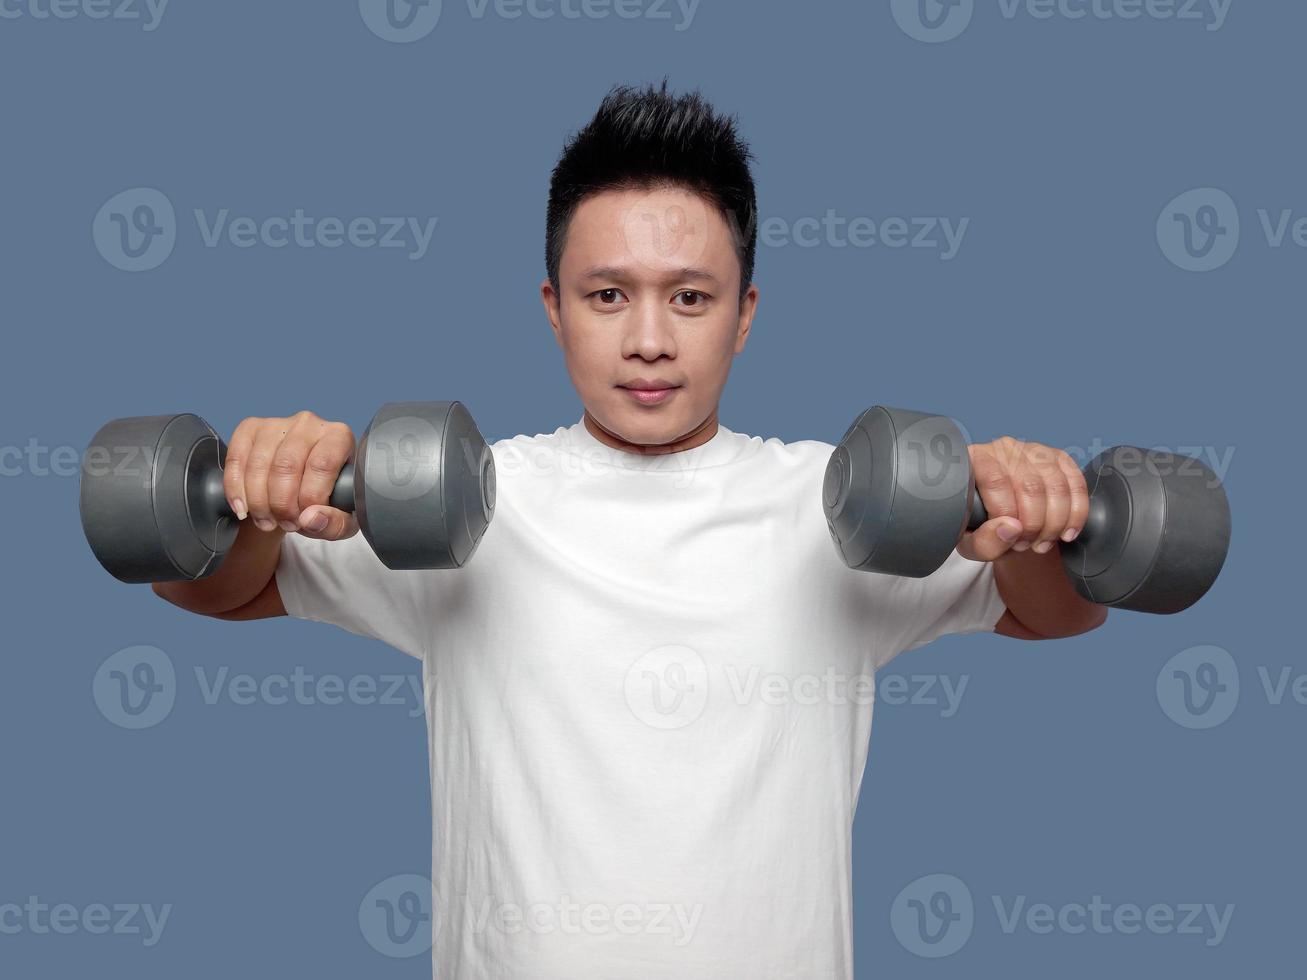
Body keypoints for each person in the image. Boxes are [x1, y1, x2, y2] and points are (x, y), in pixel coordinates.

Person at [152, 80, 1107, 979]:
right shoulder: (462, 502)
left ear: (743, 317)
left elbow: (1054, 616)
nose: (648, 339)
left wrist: (1030, 522)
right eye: (607, 295)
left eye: (690, 298)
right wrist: (265, 494)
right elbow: (210, 588)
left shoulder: (838, 502)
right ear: (553, 311)